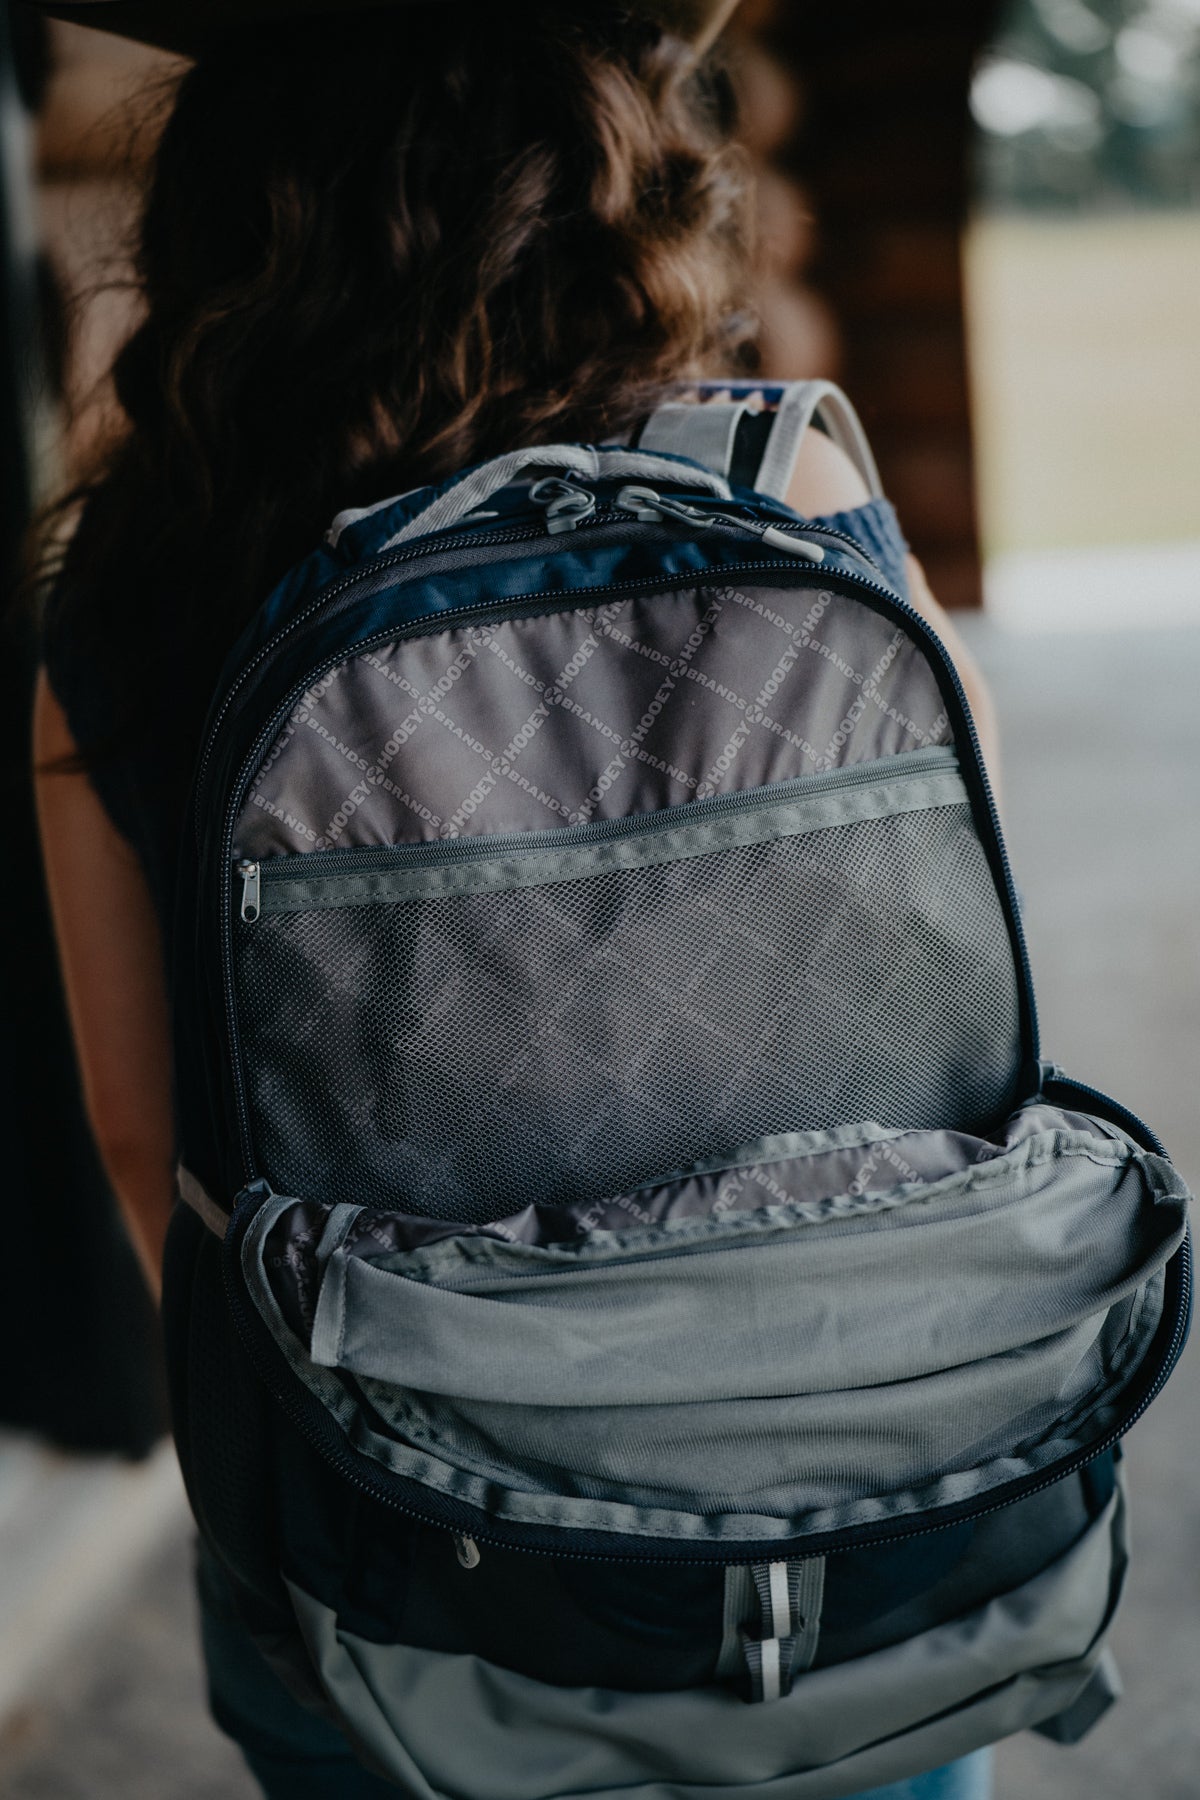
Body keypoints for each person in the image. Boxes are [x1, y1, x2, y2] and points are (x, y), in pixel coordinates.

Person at [31, 4, 999, 1795]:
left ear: (228, 211)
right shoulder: (783, 481)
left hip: (403, 1562)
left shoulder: (141, 587)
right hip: (853, 1476)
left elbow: (139, 1132)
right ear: (618, 177)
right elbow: (962, 937)